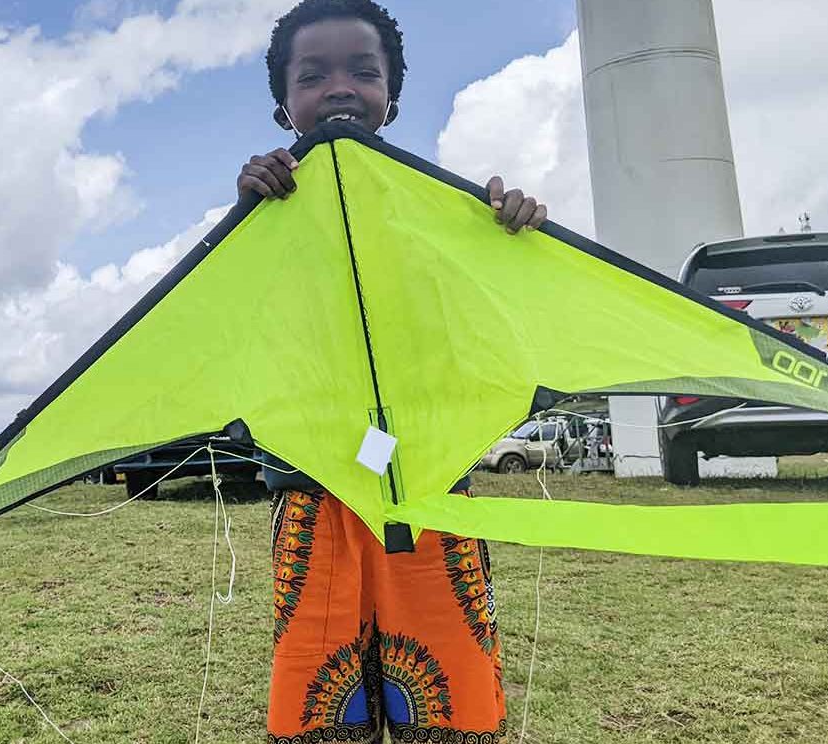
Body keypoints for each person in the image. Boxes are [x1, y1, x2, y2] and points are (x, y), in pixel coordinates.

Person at [241, 2, 547, 740]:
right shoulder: (262, 212)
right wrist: (246, 213)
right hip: (316, 498)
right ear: (284, 107)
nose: (339, 87)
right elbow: (245, 321)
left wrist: (511, 236)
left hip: (432, 493)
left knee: (449, 700)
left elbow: (489, 322)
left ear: (392, 97)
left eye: (363, 72)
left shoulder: (441, 212)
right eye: (313, 75)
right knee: (322, 702)